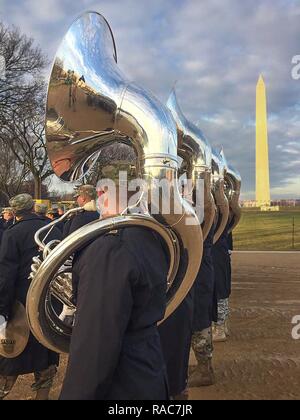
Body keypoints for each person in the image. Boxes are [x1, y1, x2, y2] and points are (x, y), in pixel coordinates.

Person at [60, 168, 169, 400]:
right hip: (145, 368)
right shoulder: (147, 234)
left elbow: (95, 348)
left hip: (123, 381)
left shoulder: (110, 248)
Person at [0, 194, 62, 400]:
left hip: (21, 303)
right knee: (45, 353)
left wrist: (2, 310)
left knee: (10, 353)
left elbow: (6, 276)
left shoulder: (13, 234)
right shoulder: (53, 227)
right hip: (49, 301)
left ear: (15, 211)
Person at [188, 223, 217, 387]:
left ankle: (205, 369)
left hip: (196, 269)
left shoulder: (199, 204)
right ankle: (203, 366)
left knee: (199, 319)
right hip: (198, 267)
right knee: (198, 317)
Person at [212, 218, 232, 342]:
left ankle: (219, 328)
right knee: (221, 288)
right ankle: (222, 325)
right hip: (221, 251)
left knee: (218, 289)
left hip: (215, 252)